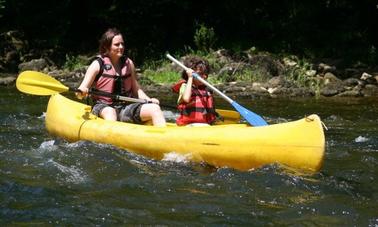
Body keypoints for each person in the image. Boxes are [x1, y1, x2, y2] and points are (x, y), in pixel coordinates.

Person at [77, 28, 166, 127]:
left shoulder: (128, 63)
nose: (121, 47)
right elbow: (80, 92)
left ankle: (164, 138)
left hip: (125, 107)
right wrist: (82, 92)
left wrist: (149, 100)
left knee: (155, 109)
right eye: (117, 44)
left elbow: (137, 90)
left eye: (122, 44)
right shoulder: (97, 65)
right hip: (103, 107)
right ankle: (111, 140)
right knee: (111, 113)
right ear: (106, 47)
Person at [171, 56, 218, 126]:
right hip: (188, 125)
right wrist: (190, 78)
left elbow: (211, 109)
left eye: (206, 74)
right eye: (201, 74)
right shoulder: (184, 86)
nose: (204, 76)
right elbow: (186, 98)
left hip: (205, 124)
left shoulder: (207, 90)